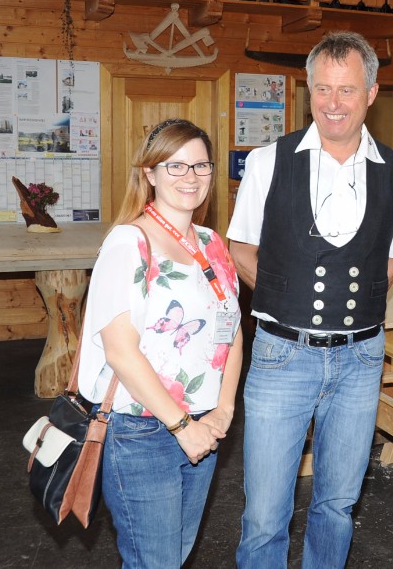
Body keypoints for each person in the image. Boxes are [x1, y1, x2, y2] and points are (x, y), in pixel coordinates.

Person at [228, 31, 393, 568]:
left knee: (337, 504)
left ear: (372, 93)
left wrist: (345, 306)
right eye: (323, 89)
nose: (334, 103)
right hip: (281, 354)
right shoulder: (268, 161)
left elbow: (392, 259)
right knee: (265, 513)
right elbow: (241, 249)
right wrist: (288, 302)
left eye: (347, 90)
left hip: (361, 358)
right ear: (307, 91)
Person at [77, 118, 243, 567]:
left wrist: (224, 408)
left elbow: (232, 329)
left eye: (201, 165)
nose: (191, 177)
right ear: (149, 173)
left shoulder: (212, 243)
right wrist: (182, 426)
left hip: (204, 425)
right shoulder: (128, 243)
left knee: (176, 553)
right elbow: (120, 352)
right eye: (175, 166)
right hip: (143, 432)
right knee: (156, 561)